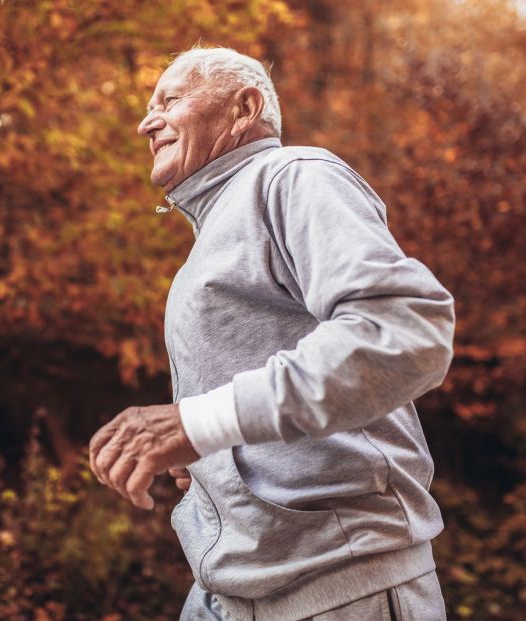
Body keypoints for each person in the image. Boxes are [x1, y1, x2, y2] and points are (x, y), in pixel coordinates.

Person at [89, 47, 455, 621]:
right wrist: (216, 454)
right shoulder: (217, 226)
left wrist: (201, 422)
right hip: (229, 593)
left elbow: (405, 331)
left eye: (171, 99)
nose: (146, 121)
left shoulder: (294, 177)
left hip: (339, 585)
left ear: (245, 106)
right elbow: (262, 401)